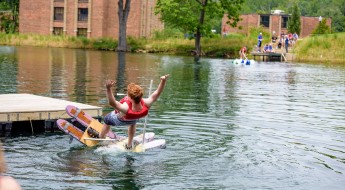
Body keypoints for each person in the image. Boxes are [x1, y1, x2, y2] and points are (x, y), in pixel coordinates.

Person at [99, 74, 170, 149]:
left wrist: (108, 89)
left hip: (119, 120)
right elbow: (157, 93)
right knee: (133, 122)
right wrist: (163, 81)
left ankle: (101, 137)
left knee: (106, 119)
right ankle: (129, 144)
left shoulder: (125, 107)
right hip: (133, 120)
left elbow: (112, 102)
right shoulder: (146, 103)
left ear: (130, 98)